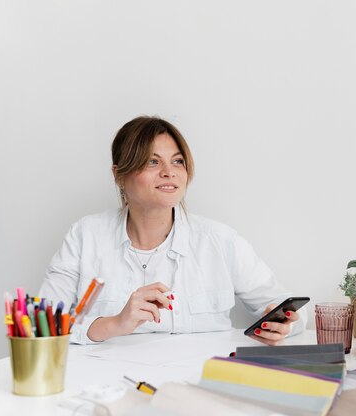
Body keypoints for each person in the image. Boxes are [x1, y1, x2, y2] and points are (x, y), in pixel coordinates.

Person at [39, 116, 306, 345]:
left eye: (177, 161)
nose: (169, 172)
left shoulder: (221, 241)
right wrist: (115, 324)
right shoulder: (86, 235)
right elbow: (41, 324)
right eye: (153, 162)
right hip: (107, 387)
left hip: (200, 387)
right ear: (119, 175)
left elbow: (288, 307)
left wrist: (284, 324)